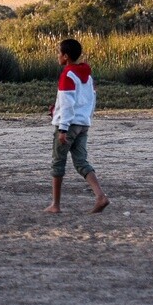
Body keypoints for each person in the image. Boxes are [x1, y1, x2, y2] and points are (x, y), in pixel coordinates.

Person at [44, 38, 110, 215]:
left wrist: (63, 128)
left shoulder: (68, 74)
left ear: (65, 56)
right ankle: (100, 196)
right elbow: (91, 99)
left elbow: (67, 103)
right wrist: (86, 118)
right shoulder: (87, 75)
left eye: (59, 53)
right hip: (83, 124)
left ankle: (55, 205)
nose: (58, 56)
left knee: (58, 162)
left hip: (69, 125)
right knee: (81, 162)